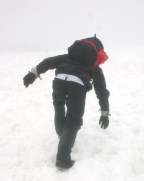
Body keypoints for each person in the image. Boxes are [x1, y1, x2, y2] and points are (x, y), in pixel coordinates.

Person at [23, 35, 110, 170]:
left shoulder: (67, 57)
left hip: (59, 80)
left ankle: (62, 136)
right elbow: (102, 91)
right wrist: (104, 112)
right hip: (77, 85)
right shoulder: (94, 67)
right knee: (74, 121)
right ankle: (63, 159)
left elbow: (47, 61)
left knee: (59, 108)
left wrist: (33, 73)